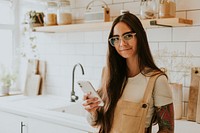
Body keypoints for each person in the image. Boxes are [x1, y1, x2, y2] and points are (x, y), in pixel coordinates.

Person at [82, 12, 174, 133]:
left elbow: (167, 130)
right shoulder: (108, 73)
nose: (122, 44)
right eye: (116, 38)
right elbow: (95, 122)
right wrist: (92, 111)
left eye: (128, 36)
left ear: (139, 37)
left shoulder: (157, 80)